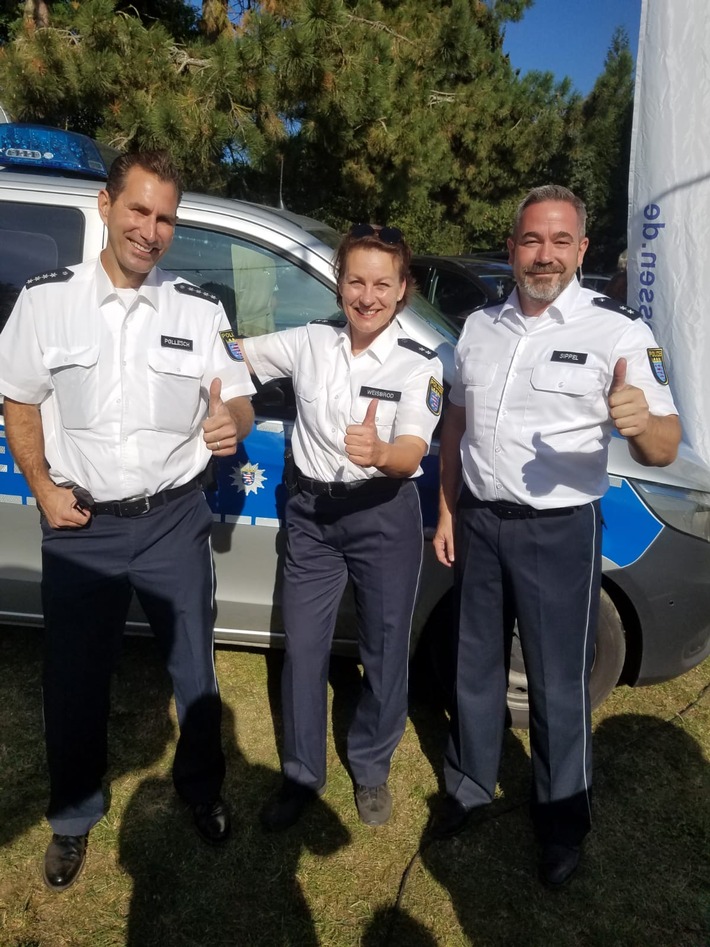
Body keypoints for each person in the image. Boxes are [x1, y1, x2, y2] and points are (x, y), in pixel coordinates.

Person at [0, 150, 255, 891]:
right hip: (83, 524)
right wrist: (42, 487)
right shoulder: (47, 301)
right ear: (106, 205)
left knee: (194, 673)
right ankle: (74, 816)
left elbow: (235, 393)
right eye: (138, 210)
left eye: (166, 217)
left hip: (175, 519)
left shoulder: (200, 309)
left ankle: (201, 790)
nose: (151, 230)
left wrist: (229, 420)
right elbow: (18, 398)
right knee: (75, 679)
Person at [431, 185, 680, 886]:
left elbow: (665, 441)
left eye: (560, 241)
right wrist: (449, 509)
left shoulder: (618, 332)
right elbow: (456, 421)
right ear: (511, 247)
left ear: (581, 250)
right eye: (532, 240)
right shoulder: (478, 327)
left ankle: (562, 817)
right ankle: (469, 786)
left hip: (558, 531)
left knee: (557, 682)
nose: (544, 255)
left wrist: (642, 424)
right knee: (473, 666)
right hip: (479, 520)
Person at [239, 224, 444, 830]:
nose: (368, 295)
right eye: (356, 280)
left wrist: (380, 452)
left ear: (403, 289)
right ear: (339, 283)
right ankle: (302, 774)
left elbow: (411, 449)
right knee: (302, 649)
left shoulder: (419, 363)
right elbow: (237, 355)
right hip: (310, 516)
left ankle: (372, 765)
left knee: (384, 650)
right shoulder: (308, 342)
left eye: (383, 283)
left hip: (382, 514)